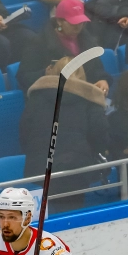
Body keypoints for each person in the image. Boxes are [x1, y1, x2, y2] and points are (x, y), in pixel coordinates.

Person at [20, 56, 109, 212]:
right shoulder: (90, 100)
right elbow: (100, 135)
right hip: (76, 168)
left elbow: (24, 132)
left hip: (41, 168)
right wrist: (90, 153)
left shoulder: (36, 97)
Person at [16, 0, 110, 92]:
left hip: (85, 96)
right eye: (73, 23)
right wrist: (45, 74)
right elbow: (23, 77)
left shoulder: (88, 40)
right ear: (59, 21)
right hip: (53, 98)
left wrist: (102, 80)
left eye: (81, 22)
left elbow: (97, 69)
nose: (78, 27)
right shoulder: (39, 43)